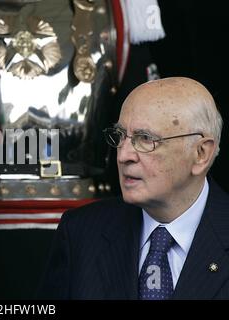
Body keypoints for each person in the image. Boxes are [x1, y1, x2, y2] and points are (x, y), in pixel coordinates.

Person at [38, 77, 229, 299]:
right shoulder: (81, 232)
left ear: (200, 154)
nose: (123, 155)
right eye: (120, 136)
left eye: (146, 139)